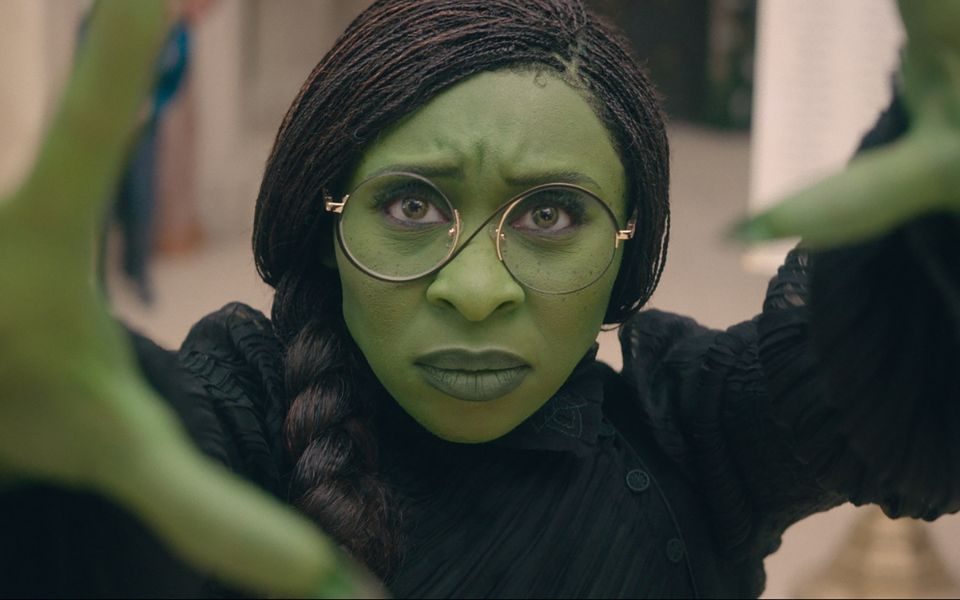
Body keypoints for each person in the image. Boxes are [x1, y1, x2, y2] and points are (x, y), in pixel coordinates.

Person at [0, 0, 957, 597]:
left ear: (626, 250)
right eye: (411, 205)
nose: (473, 290)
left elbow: (878, 392)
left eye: (549, 216)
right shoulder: (250, 421)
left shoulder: (696, 442)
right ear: (323, 231)